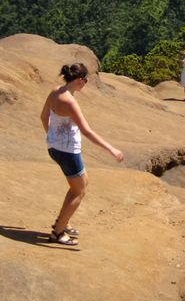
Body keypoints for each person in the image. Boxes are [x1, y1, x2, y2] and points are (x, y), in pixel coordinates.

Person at [40, 63, 124, 246]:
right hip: (68, 151)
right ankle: (58, 232)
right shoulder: (70, 102)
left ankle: (63, 221)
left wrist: (52, 135)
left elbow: (43, 116)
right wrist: (111, 149)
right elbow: (86, 131)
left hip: (54, 147)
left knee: (80, 184)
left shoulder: (55, 91)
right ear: (79, 80)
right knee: (80, 191)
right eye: (86, 80)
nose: (86, 83)